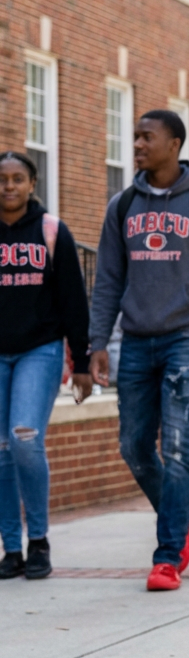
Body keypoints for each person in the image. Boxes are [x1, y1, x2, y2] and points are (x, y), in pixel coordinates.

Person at [89, 110, 189, 592]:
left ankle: (166, 557)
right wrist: (96, 343)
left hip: (188, 337)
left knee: (178, 447)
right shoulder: (122, 207)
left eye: (146, 136)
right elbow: (108, 281)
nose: (137, 144)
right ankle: (182, 513)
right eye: (135, 136)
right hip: (136, 340)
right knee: (134, 446)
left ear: (174, 142)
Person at [0, 151, 92, 580]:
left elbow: (74, 301)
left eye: (18, 179)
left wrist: (83, 363)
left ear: (31, 183)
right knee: (0, 451)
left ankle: (39, 540)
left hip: (40, 349)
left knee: (24, 437)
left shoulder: (52, 231)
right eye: (3, 180)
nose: (9, 186)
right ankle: (11, 548)